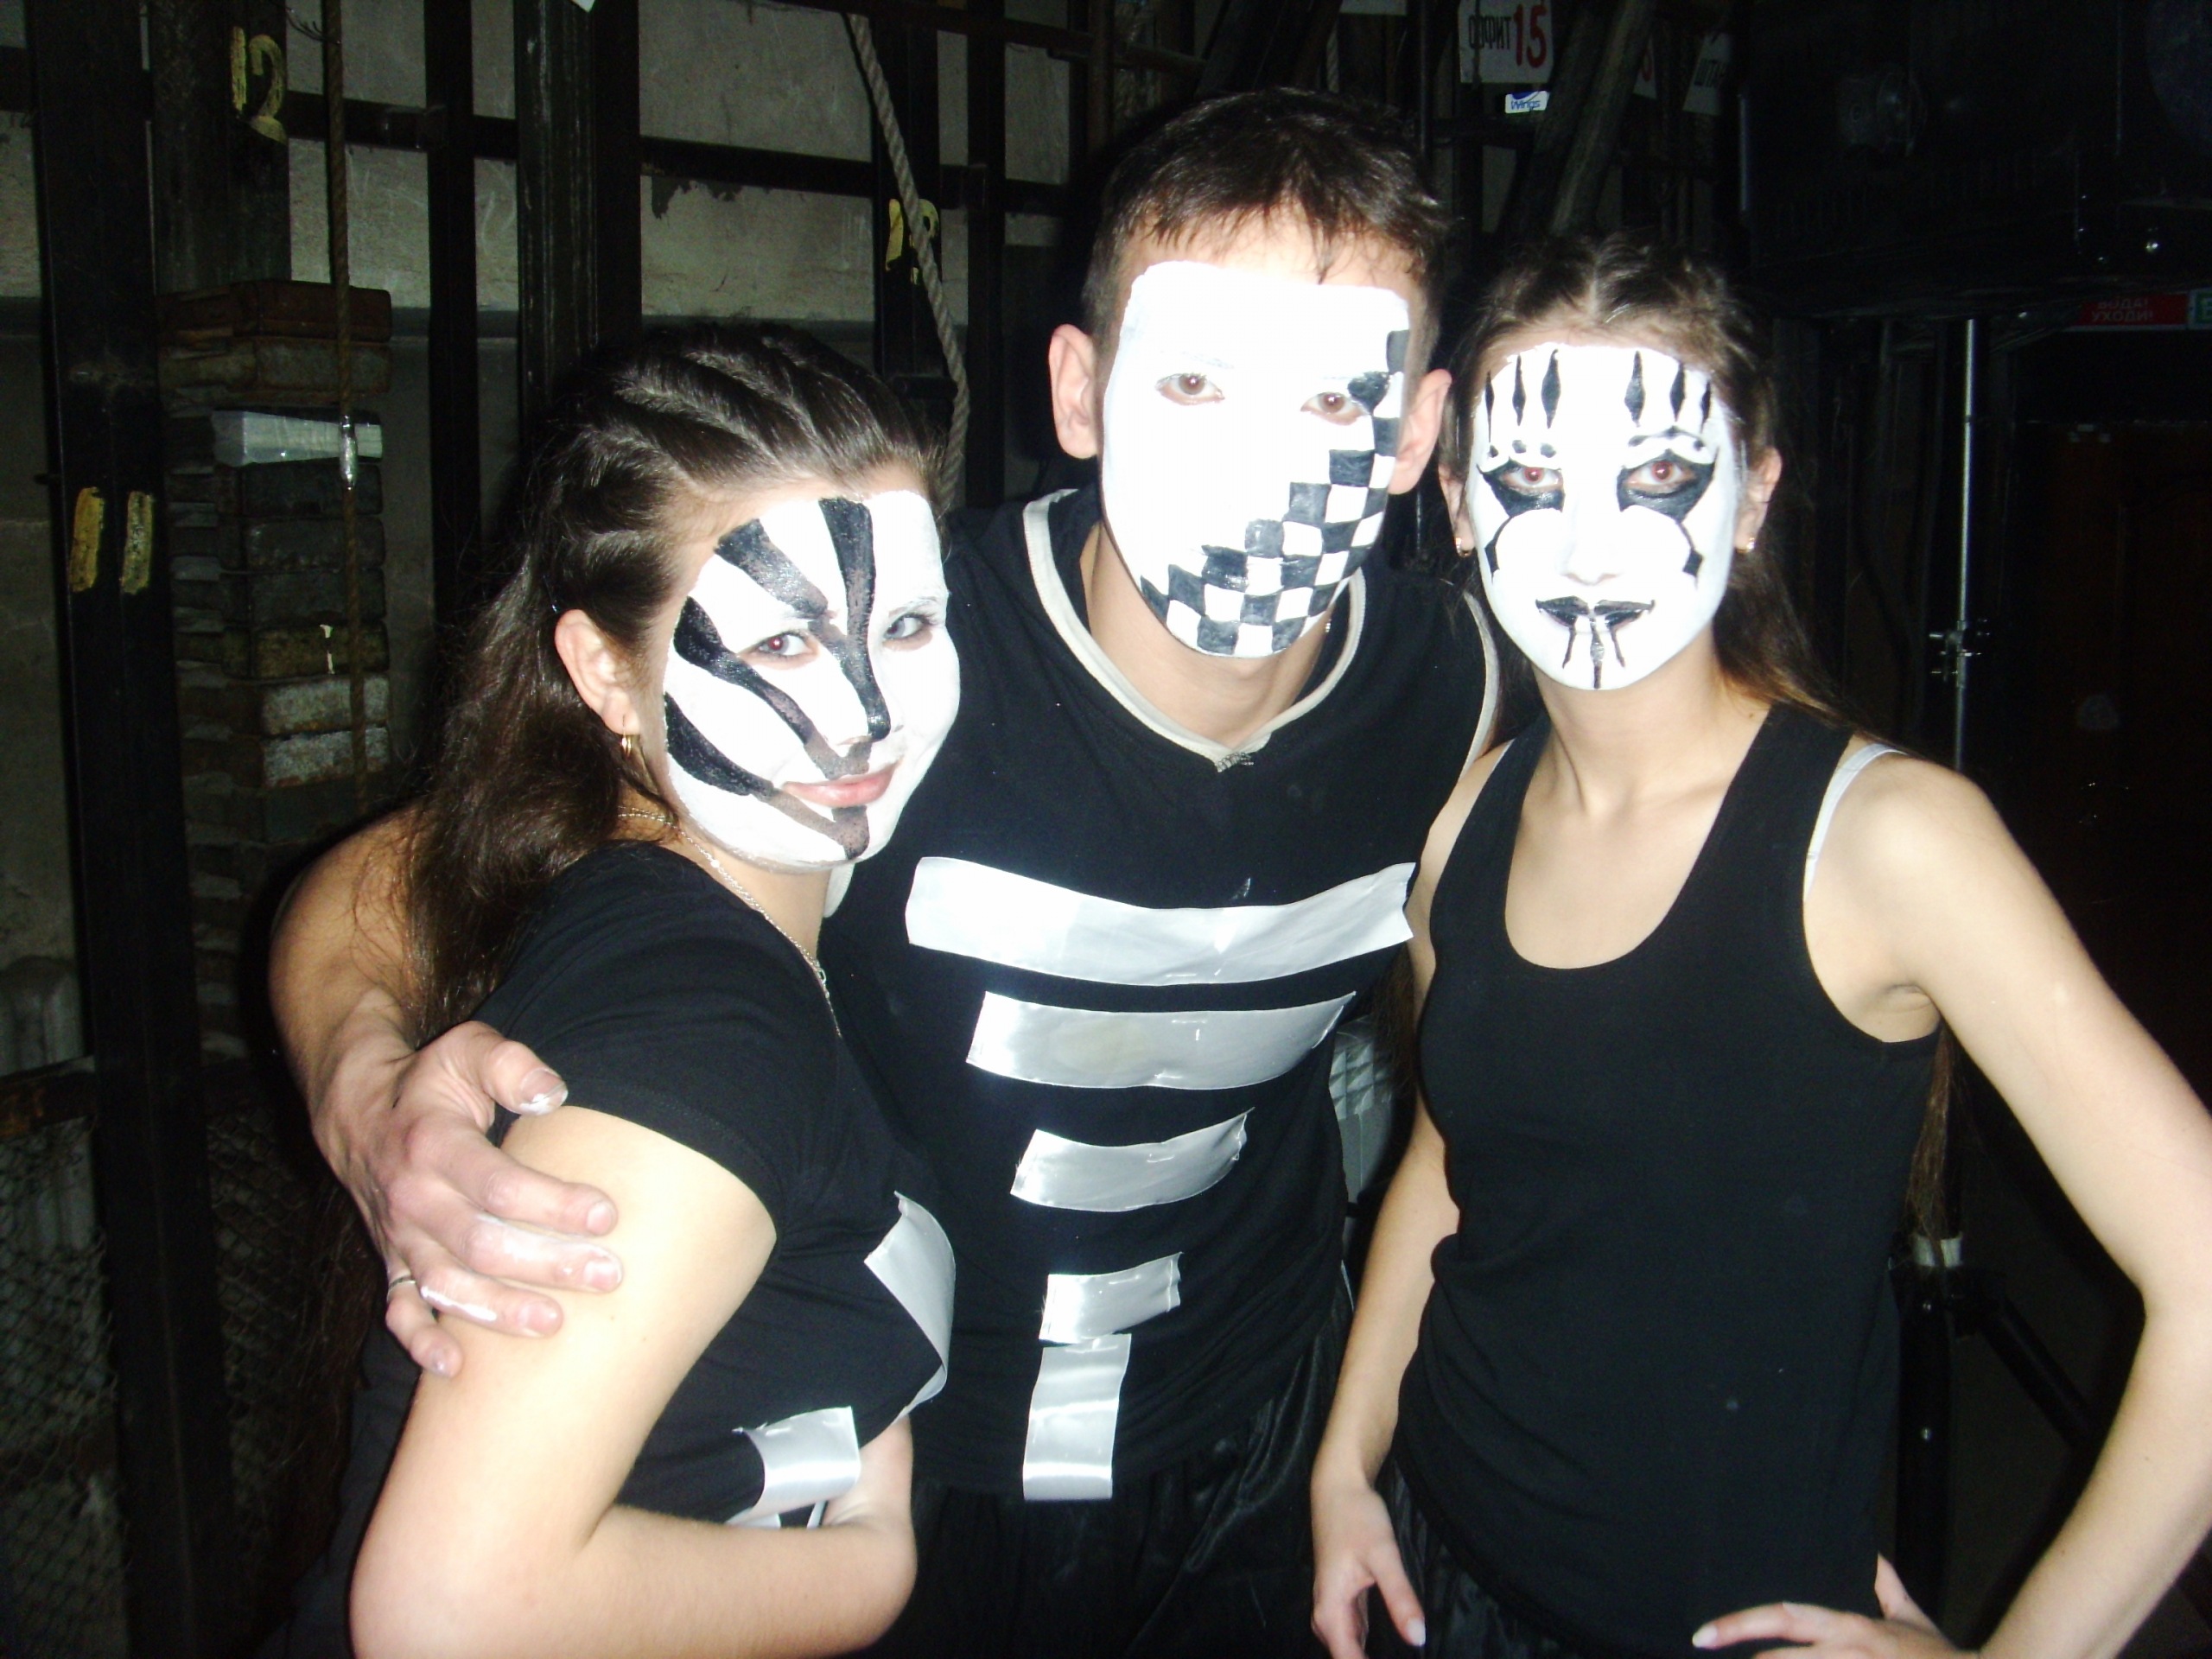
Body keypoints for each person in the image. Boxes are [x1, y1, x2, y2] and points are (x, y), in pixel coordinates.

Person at [270, 91, 1496, 1656]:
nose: (1262, 465)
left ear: (1417, 434)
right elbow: (403, 875)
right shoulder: (891, 662)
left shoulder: (1455, 690)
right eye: (1195, 380)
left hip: (1253, 1433)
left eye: (1334, 399)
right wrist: (369, 1089)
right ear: (1081, 391)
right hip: (899, 1462)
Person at [1309, 232, 2212, 1659]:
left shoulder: (1887, 841)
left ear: (1754, 499)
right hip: (1442, 1548)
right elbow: (1449, 1151)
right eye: (1530, 479)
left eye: (1663, 473)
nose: (1591, 542)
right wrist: (1346, 1460)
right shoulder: (1470, 813)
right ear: (1462, 505)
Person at [273, 324, 960, 1657]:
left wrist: (360, 1077)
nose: (868, 710)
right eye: (784, 645)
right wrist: (870, 1568)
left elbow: (376, 876)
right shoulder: (709, 1017)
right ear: (602, 674)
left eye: (909, 625)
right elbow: (452, 1617)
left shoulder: (619, 850)